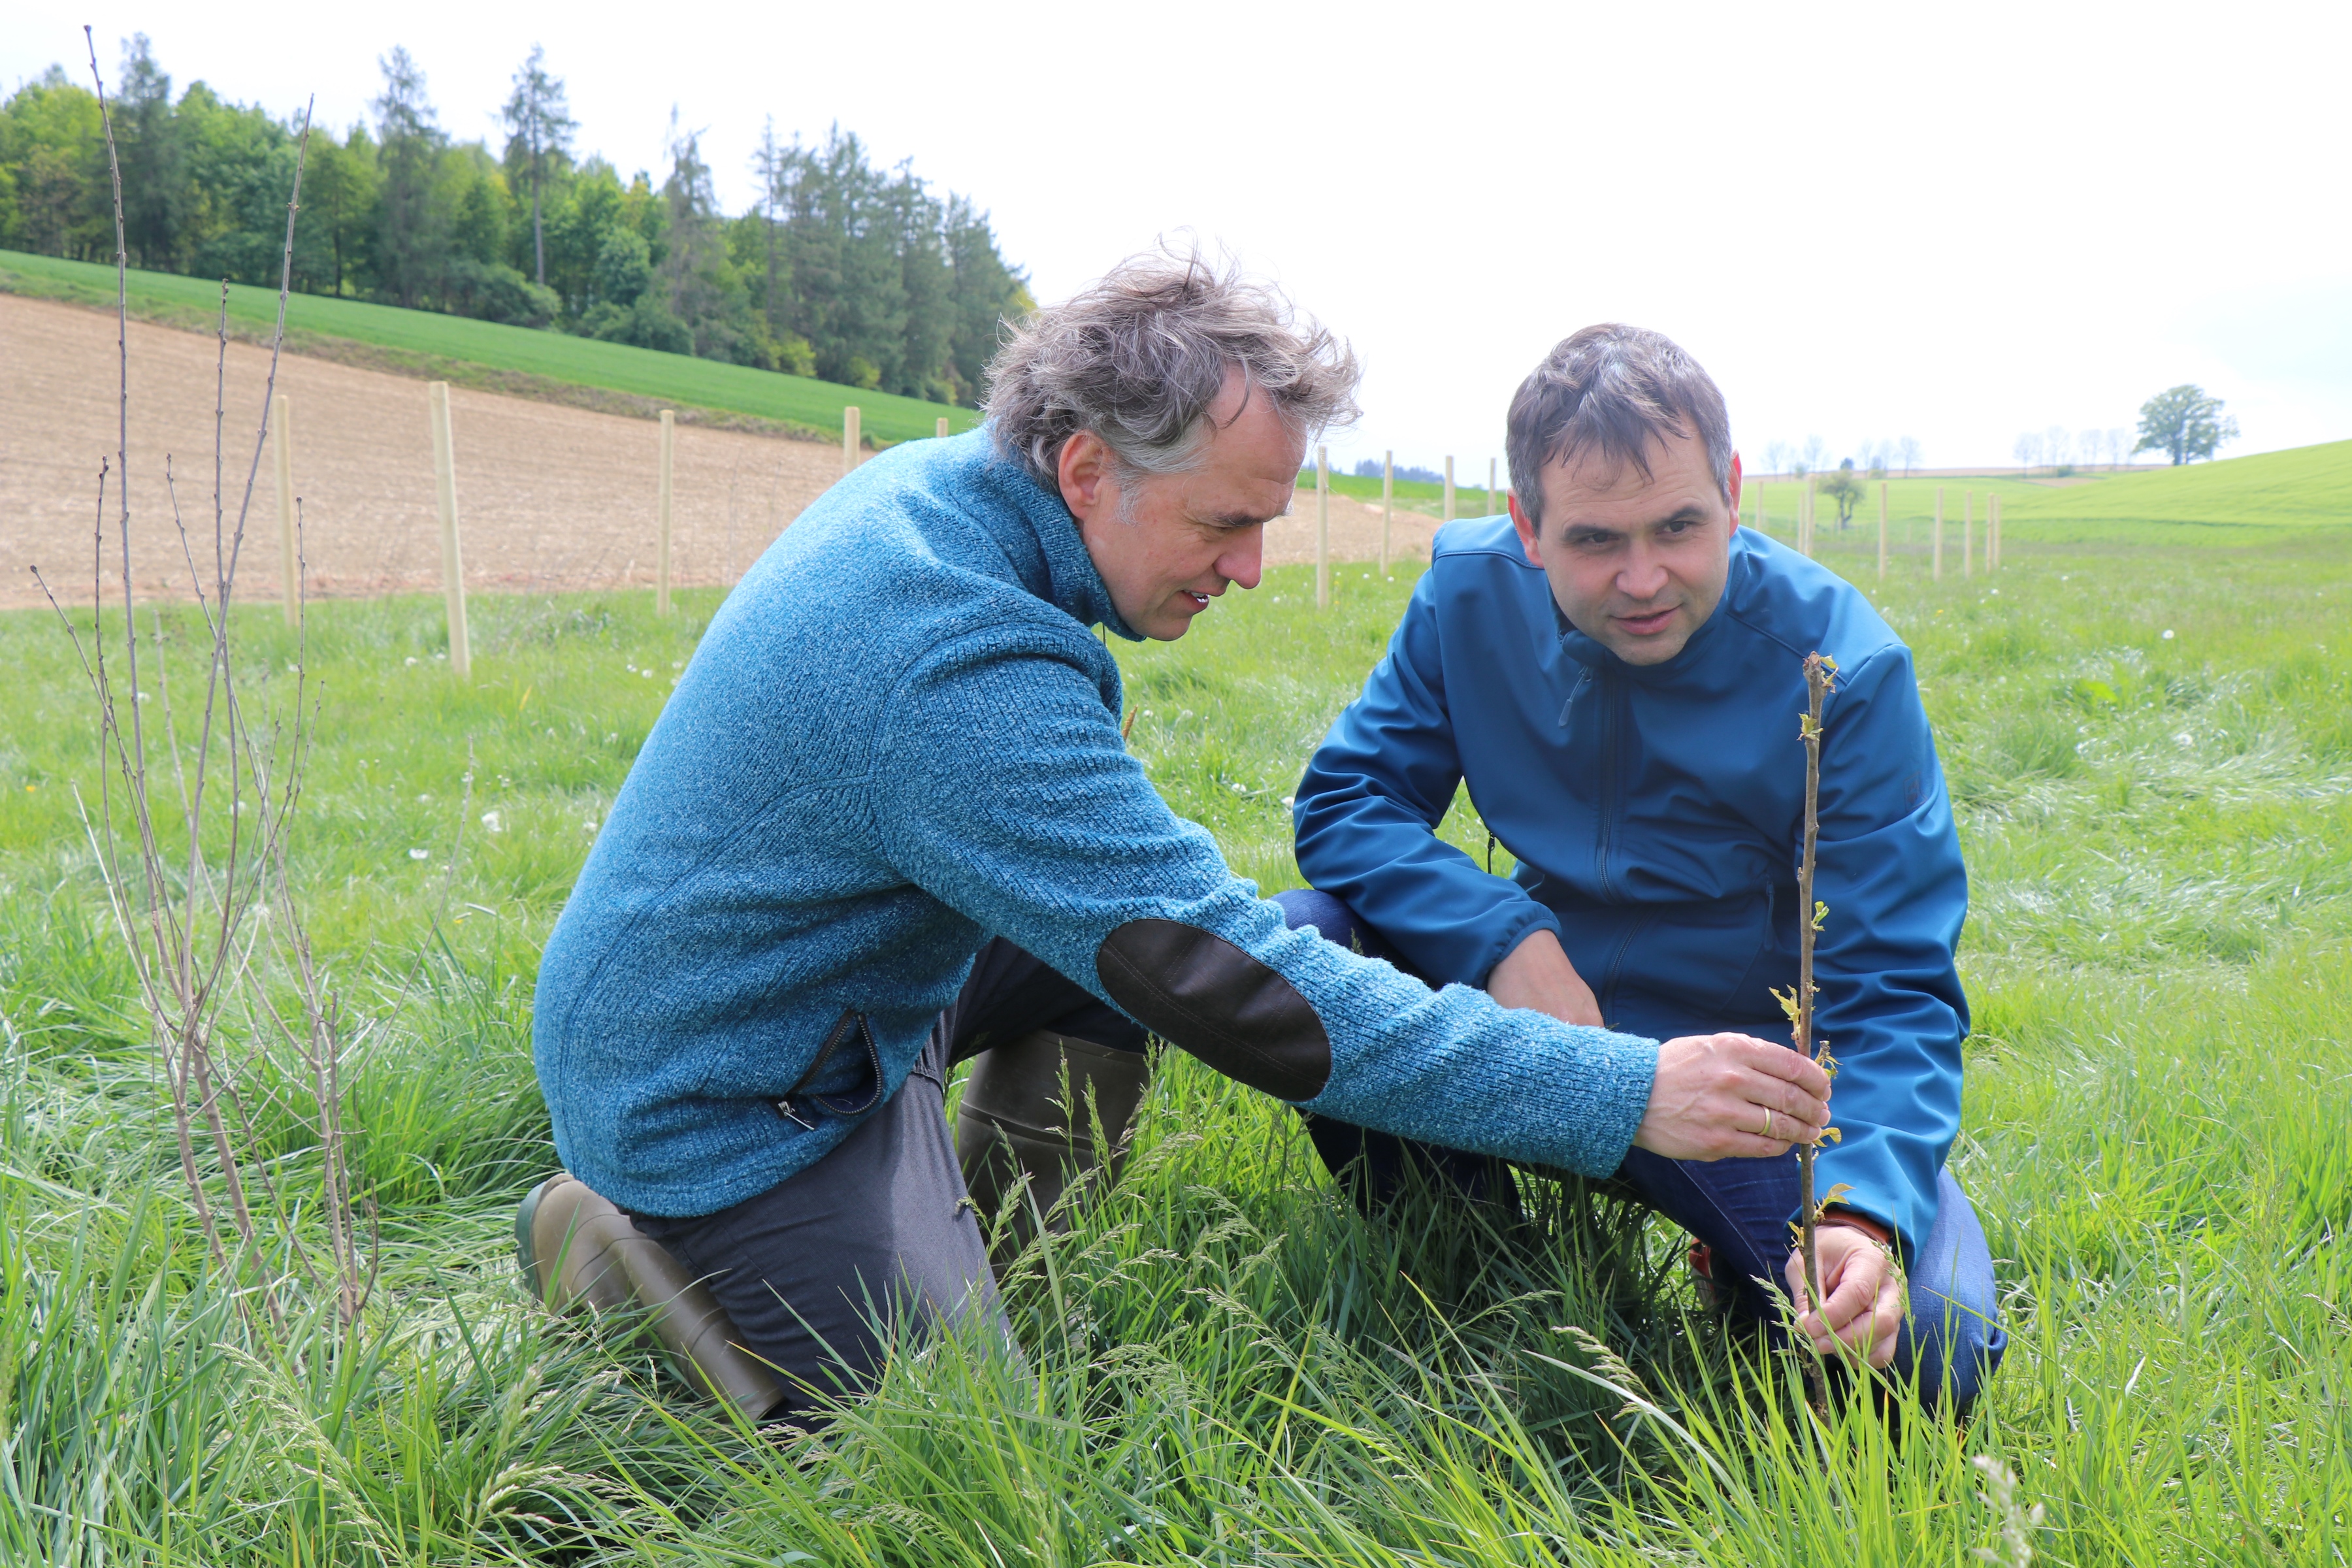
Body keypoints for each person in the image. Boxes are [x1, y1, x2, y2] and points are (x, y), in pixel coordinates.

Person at [520, 259, 1833, 1419]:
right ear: (1087, 467)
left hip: (834, 981)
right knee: (966, 1464)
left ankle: (962, 1262)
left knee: (1110, 974)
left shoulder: (967, 493)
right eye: (1224, 522)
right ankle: (640, 1275)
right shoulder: (951, 664)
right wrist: (1620, 1092)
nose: (1252, 567)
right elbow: (1242, 989)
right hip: (730, 1089)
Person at [1285, 323, 2006, 1413]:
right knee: (1307, 946)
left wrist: (1856, 1211)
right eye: (1593, 541)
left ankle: (1757, 1257)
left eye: (1679, 526)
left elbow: (1894, 985)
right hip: (1538, 1034)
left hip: (1747, 1078)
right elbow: (1347, 801)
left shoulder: (1842, 669)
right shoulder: (1465, 597)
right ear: (1527, 526)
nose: (1642, 578)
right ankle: (1484, 1278)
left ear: (1732, 490)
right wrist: (1506, 940)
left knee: (1930, 1357)